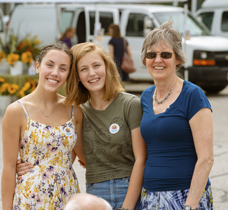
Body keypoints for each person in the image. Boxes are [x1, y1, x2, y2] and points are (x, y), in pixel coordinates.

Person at [17, 42, 146, 210]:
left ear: (106, 67)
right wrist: (29, 165)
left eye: (96, 65)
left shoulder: (130, 104)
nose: (91, 73)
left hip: (130, 191)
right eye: (83, 69)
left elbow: (141, 159)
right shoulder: (77, 112)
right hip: (94, 193)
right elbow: (63, 154)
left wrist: (127, 207)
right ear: (77, 76)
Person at [140, 20, 214, 210]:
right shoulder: (146, 96)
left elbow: (206, 159)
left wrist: (190, 205)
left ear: (178, 59)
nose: (157, 60)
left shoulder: (193, 95)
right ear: (144, 59)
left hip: (185, 197)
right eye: (151, 54)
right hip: (150, 196)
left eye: (165, 54)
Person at [1, 42, 85, 210]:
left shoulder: (75, 111)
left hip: (66, 197)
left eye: (63, 68)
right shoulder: (16, 111)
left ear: (68, 74)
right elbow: (9, 168)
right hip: (30, 199)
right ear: (38, 66)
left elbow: (83, 156)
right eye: (50, 65)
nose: (55, 73)